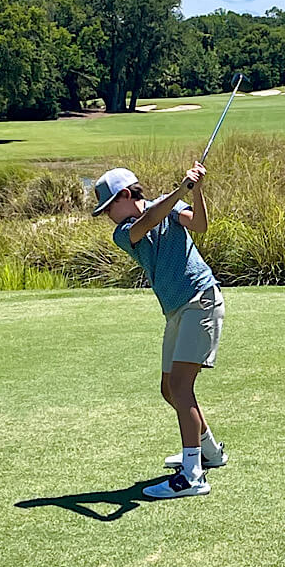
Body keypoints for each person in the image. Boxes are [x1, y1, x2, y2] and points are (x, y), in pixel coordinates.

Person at [92, 163, 227, 499]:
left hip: (201, 300)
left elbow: (200, 224)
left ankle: (192, 476)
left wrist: (195, 190)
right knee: (169, 388)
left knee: (182, 388)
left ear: (125, 195)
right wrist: (181, 190)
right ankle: (210, 453)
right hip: (176, 311)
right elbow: (149, 220)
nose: (108, 215)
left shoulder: (170, 206)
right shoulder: (125, 231)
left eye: (109, 207)